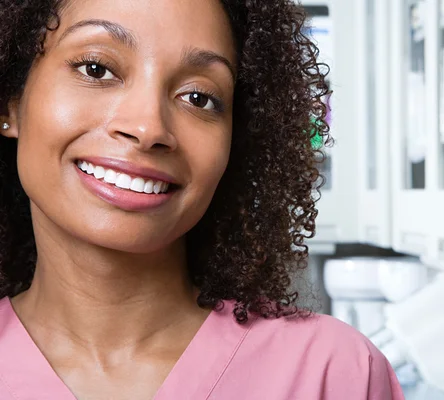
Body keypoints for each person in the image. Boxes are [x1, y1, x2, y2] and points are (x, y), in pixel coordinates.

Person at [0, 0, 404, 399]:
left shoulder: (336, 373)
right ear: (11, 102)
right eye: (96, 69)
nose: (148, 127)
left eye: (198, 97)